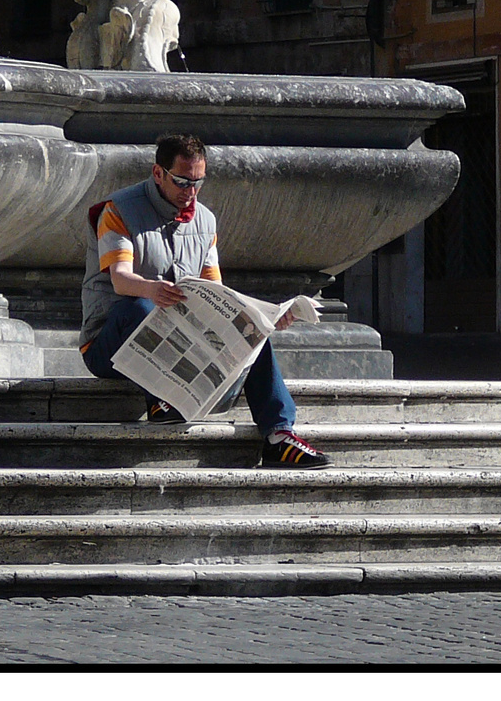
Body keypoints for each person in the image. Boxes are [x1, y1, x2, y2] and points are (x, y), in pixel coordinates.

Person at [79, 133, 331, 468]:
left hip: (179, 343)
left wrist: (265, 319)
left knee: (254, 333)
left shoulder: (206, 220)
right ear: (158, 173)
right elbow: (120, 279)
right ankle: (161, 399)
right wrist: (153, 289)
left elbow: (217, 292)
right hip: (109, 346)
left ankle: (279, 436)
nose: (191, 192)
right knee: (140, 306)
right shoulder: (118, 210)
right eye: (182, 181)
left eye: (199, 182)